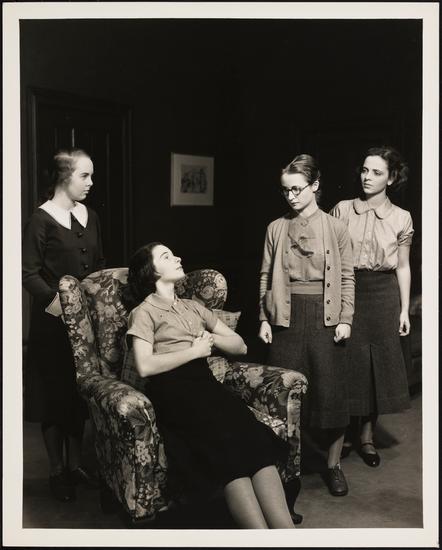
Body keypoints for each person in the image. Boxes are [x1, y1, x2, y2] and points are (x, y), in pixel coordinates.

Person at [123, 242, 296, 529]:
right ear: (152, 272)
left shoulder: (194, 307)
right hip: (173, 392)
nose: (178, 257)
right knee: (226, 452)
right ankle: (260, 537)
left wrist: (211, 339)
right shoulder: (143, 312)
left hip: (206, 386)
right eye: (167, 256)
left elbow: (240, 346)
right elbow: (145, 366)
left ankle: (286, 536)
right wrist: (194, 351)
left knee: (254, 441)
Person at [258, 154, 355, 497]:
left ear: (314, 186)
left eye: (297, 189)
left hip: (325, 317)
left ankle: (333, 465)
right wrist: (264, 318)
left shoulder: (336, 227)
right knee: (282, 396)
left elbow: (347, 277)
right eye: (285, 190)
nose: (291, 196)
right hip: (286, 317)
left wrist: (345, 318)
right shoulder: (275, 228)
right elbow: (265, 276)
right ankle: (287, 469)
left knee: (331, 394)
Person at [22, 148, 105, 501]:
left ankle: (75, 466)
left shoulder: (90, 215)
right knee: (55, 397)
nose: (91, 182)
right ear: (63, 177)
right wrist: (61, 307)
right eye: (84, 176)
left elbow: (99, 266)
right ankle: (58, 471)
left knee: (77, 395)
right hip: (53, 325)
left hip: (86, 326)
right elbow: (28, 272)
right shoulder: (41, 220)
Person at [330, 145, 413, 467]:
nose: (367, 177)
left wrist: (404, 310)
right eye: (365, 170)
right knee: (348, 363)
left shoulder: (401, 218)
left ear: (391, 179)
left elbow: (403, 266)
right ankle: (344, 435)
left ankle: (366, 437)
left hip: (383, 295)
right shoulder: (342, 210)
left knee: (376, 367)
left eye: (377, 172)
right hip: (348, 290)